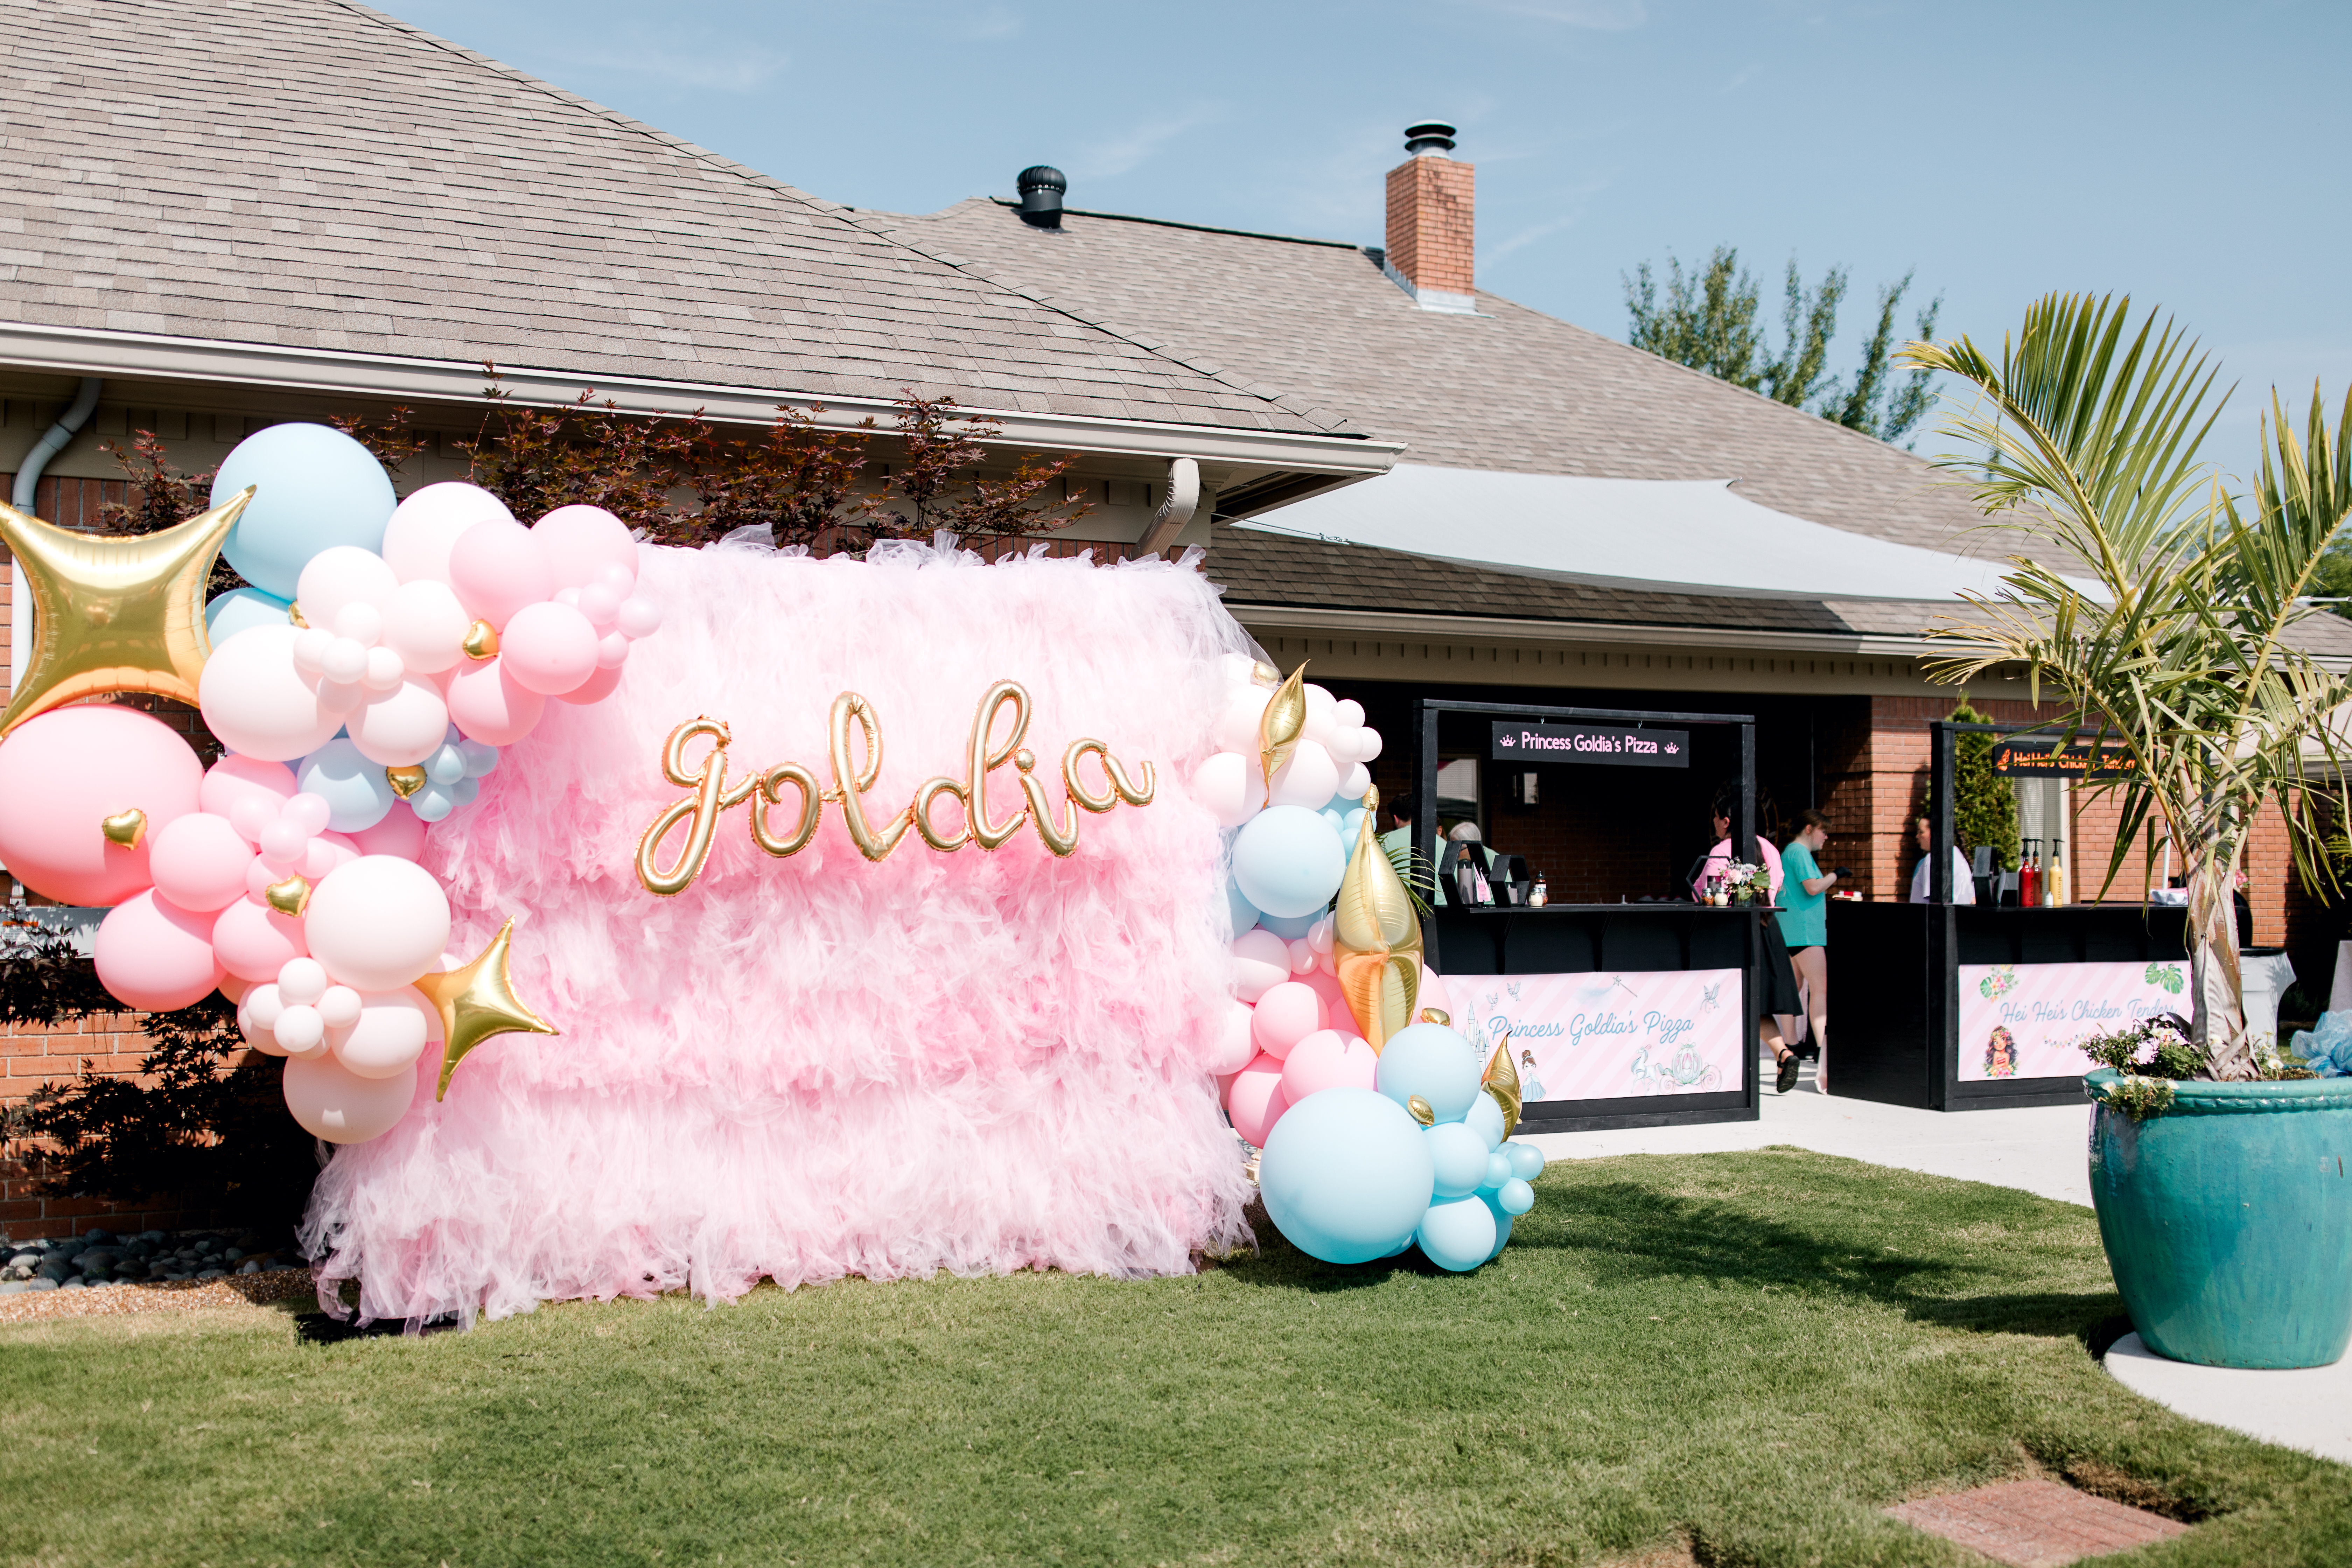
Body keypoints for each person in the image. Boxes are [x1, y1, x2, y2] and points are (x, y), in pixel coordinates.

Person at [1692, 797, 1804, 1094]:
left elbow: (1707, 895)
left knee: (1728, 1001)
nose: (1714, 824)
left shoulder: (1719, 851)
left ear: (1725, 821)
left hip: (1732, 932)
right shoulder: (1768, 848)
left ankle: (1724, 1068)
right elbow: (1775, 886)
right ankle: (1784, 1054)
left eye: (1715, 819)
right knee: (1755, 1002)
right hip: (1767, 928)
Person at [1778, 810, 1841, 1093]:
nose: (1826, 837)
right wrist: (1835, 875)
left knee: (1794, 990)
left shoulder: (1789, 853)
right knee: (1821, 990)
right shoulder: (1800, 853)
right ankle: (1821, 1047)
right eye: (1823, 831)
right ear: (1809, 828)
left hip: (1791, 932)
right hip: (1805, 932)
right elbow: (1813, 887)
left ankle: (1791, 1048)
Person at [1908, 816, 1977, 904]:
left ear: (1935, 833)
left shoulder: (1933, 859)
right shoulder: (1960, 857)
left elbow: (1936, 904)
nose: (1917, 836)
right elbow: (1973, 900)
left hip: (1934, 917)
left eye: (1921, 832)